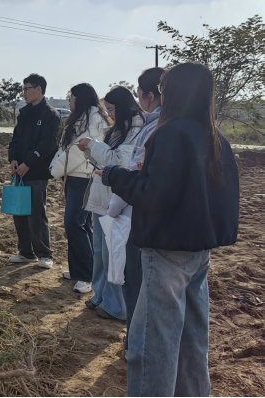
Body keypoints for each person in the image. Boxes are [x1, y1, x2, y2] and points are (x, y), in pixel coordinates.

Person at [98, 63, 239, 396]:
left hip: (165, 250)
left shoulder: (170, 132)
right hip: (199, 252)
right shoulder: (215, 136)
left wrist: (115, 176)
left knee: (151, 346)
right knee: (192, 342)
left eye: (163, 87)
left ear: (174, 92)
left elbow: (154, 195)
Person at [106, 67, 166, 357]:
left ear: (149, 95)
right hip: (168, 223)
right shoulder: (191, 126)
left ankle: (135, 344)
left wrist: (113, 206)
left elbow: (135, 173)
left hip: (138, 217)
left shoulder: (152, 128)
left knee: (136, 284)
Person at [77, 86, 144, 320]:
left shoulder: (136, 131)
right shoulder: (117, 130)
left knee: (114, 255)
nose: (110, 114)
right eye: (107, 109)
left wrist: (92, 145)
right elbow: (104, 159)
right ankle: (101, 296)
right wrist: (90, 150)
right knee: (100, 253)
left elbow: (118, 161)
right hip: (102, 197)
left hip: (116, 200)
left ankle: (116, 306)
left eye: (112, 109)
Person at [49, 83, 110, 293]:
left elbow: (77, 151)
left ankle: (86, 275)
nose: (69, 101)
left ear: (81, 98)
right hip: (75, 176)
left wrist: (55, 168)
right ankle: (81, 270)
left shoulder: (94, 120)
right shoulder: (84, 117)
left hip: (84, 177)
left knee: (74, 223)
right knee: (82, 225)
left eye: (71, 97)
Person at [7, 74, 61, 268]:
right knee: (19, 212)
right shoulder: (24, 113)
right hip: (20, 172)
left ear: (39, 90)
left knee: (36, 215)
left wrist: (29, 163)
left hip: (36, 172)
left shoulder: (50, 114)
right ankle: (26, 252)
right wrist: (13, 158)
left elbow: (48, 145)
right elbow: (16, 139)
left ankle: (45, 254)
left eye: (27, 89)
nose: (24, 93)